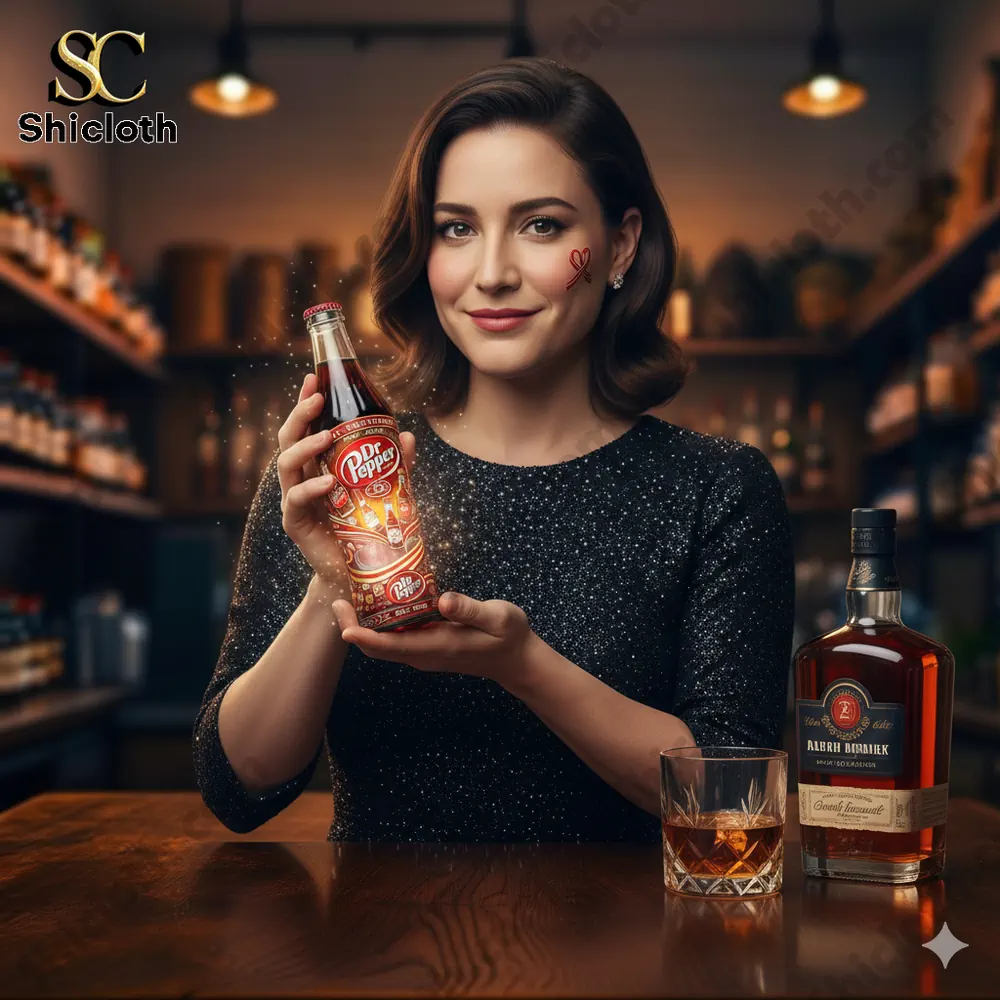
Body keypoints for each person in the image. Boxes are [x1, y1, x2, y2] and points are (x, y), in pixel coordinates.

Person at [193, 58, 794, 842]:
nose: (493, 274)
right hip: (375, 925)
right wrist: (329, 587)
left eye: (542, 225)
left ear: (619, 247)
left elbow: (733, 797)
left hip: (637, 927)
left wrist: (523, 667)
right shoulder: (345, 472)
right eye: (457, 229)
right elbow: (238, 789)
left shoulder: (719, 488)